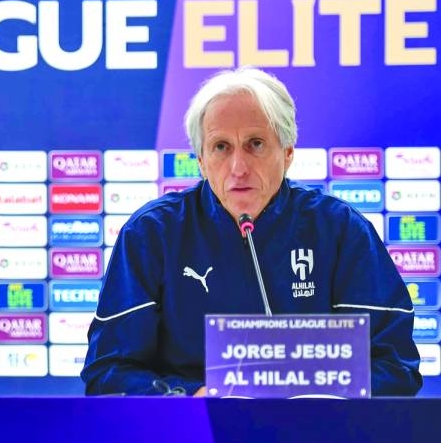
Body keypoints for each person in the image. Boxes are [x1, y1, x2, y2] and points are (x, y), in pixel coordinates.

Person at [82, 67, 421, 397]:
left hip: (318, 439)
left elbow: (396, 366)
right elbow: (109, 372)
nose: (238, 168)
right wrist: (191, 398)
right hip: (192, 438)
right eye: (221, 147)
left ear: (287, 154)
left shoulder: (341, 230)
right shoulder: (151, 234)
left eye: (255, 144)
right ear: (200, 160)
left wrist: (327, 399)